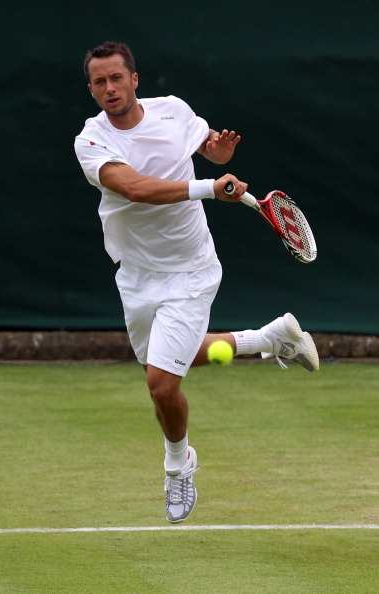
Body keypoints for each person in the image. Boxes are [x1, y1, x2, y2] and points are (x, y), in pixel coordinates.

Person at [74, 41, 319, 524]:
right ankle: (269, 339)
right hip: (136, 275)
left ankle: (177, 465)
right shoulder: (91, 139)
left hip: (191, 270)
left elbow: (207, 145)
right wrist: (211, 186)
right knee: (169, 361)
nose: (109, 89)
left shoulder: (173, 112)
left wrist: (216, 151)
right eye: (99, 82)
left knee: (162, 385)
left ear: (134, 79)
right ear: (91, 89)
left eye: (116, 78)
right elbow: (135, 188)